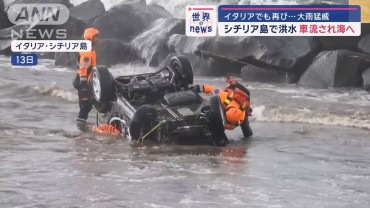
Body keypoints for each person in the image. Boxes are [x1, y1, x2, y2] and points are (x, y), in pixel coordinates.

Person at [73, 27, 100, 122]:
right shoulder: (87, 51)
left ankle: (82, 128)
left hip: (85, 81)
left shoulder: (89, 49)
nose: (98, 39)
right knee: (85, 106)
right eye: (96, 37)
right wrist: (84, 86)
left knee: (87, 106)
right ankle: (81, 129)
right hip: (82, 82)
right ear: (90, 38)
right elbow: (83, 68)